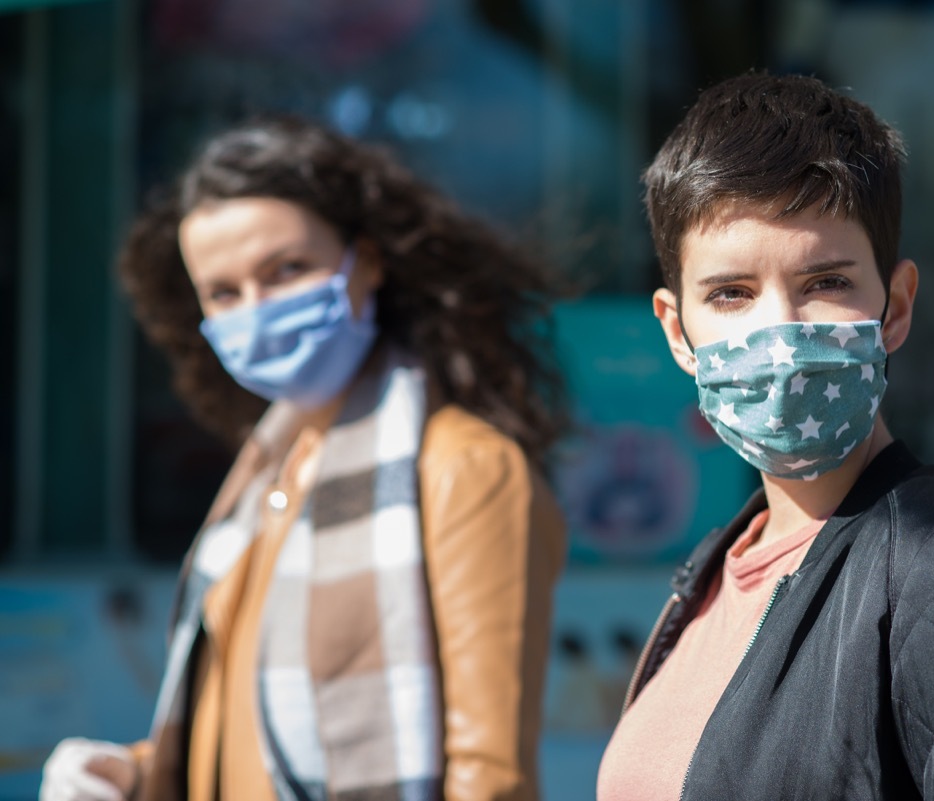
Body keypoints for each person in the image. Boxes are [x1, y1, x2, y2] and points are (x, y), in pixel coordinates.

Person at [597, 73, 934, 800]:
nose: (782, 331)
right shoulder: (714, 572)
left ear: (894, 307)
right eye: (731, 293)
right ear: (678, 331)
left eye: (826, 282)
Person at [40, 116, 569, 801]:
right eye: (224, 293)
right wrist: (136, 772)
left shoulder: (465, 468)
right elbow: (246, 733)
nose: (255, 310)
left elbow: (487, 776)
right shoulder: (265, 468)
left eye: (286, 270)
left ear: (369, 263)